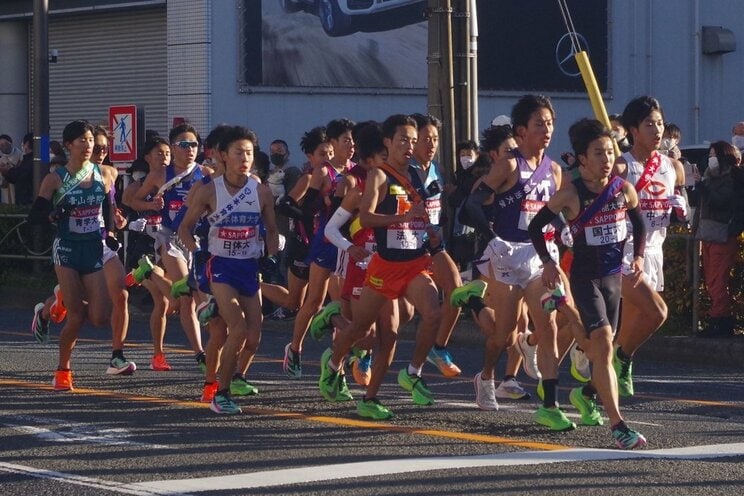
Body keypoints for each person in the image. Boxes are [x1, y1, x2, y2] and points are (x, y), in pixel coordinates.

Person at [463, 94, 583, 430]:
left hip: (538, 256)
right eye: (539, 124)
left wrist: (566, 230)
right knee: (502, 334)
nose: (547, 130)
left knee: (547, 328)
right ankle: (486, 376)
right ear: (520, 131)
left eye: (550, 123)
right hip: (506, 254)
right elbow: (472, 205)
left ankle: (549, 404)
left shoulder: (556, 170)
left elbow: (552, 212)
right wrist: (492, 238)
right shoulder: (510, 165)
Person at [529, 118, 648, 449]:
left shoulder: (623, 189)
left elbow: (639, 225)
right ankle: (619, 425)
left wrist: (637, 258)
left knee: (598, 348)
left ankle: (562, 307)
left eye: (610, 152)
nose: (607, 159)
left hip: (613, 278)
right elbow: (536, 228)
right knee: (604, 343)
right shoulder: (569, 195)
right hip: (584, 278)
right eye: (598, 153)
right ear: (582, 159)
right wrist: (550, 263)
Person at [314, 114, 443, 419]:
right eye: (403, 140)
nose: (409, 146)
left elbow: (420, 215)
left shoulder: (415, 176)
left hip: (414, 264)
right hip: (383, 267)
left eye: (414, 140)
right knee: (362, 329)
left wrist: (428, 228)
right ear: (388, 142)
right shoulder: (379, 176)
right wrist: (401, 219)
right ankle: (333, 364)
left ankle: (403, 378)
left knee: (425, 316)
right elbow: (368, 218)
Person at [179, 125, 279, 414]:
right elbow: (185, 229)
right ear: (223, 156)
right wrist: (197, 253)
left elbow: (271, 229)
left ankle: (221, 378)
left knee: (254, 336)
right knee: (234, 328)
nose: (245, 158)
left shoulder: (260, 191)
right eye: (239, 152)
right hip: (220, 265)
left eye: (249, 152)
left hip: (248, 266)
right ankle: (219, 391)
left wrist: (270, 256)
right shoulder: (209, 189)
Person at [31, 126, 139, 376]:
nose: (89, 145)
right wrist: (52, 215)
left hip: (93, 247)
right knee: (77, 317)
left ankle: (58, 301)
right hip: (67, 248)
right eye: (83, 140)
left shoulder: (104, 173)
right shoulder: (56, 179)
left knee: (100, 317)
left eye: (92, 140)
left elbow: (107, 206)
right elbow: (34, 215)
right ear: (68, 145)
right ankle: (63, 371)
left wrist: (111, 231)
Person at [611, 96, 686, 397]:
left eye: (659, 123)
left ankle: (593, 387)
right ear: (632, 130)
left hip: (655, 250)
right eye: (649, 124)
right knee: (657, 313)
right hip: (625, 251)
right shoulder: (621, 166)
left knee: (628, 328)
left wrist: (682, 208)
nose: (657, 130)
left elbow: (680, 208)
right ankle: (619, 358)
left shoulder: (673, 167)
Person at [409, 113, 487, 379]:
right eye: (425, 139)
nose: (431, 144)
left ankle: (438, 348)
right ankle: (360, 353)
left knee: (455, 291)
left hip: (433, 244)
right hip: (403, 248)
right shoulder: (402, 170)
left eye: (435, 138)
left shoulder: (438, 169)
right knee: (394, 316)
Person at [132, 123, 209, 371]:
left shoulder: (206, 174)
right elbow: (133, 199)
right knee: (186, 292)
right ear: (173, 147)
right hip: (169, 238)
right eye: (184, 145)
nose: (190, 150)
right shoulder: (159, 175)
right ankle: (200, 354)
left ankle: (150, 272)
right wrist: (151, 206)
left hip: (195, 240)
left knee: (179, 303)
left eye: (194, 145)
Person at [282, 119, 354, 379]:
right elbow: (306, 209)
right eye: (345, 141)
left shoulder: (355, 171)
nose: (351, 146)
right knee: (312, 301)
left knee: (343, 305)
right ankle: (296, 348)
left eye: (352, 141)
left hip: (348, 244)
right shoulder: (322, 173)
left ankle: (338, 366)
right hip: (324, 242)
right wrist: (327, 203)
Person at [692, 141, 743, 337]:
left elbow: (720, 201)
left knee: (717, 280)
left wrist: (703, 187)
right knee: (711, 279)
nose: (710, 158)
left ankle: (720, 321)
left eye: (714, 154)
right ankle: (718, 319)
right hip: (709, 233)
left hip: (722, 234)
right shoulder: (710, 177)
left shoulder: (730, 178)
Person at [0, 132, 34, 205]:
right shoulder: (1, 160)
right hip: (9, 193)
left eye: (6, 144)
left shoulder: (23, 157)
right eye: (1, 145)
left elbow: (20, 174)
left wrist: (9, 170)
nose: (4, 147)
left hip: (25, 197)